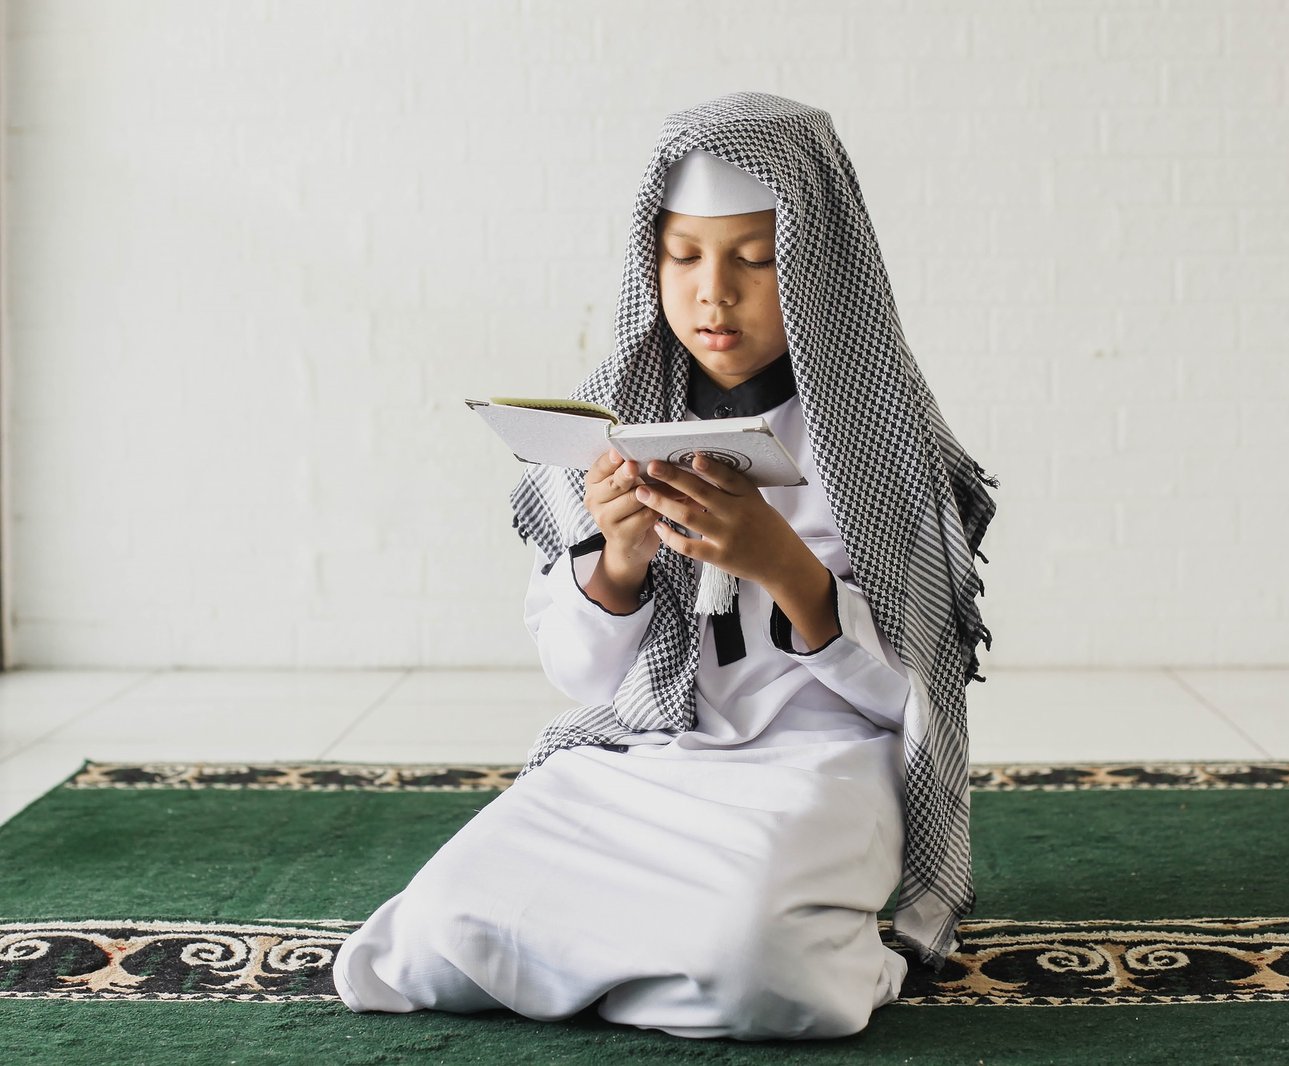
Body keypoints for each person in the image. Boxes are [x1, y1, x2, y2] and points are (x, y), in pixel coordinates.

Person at [333, 91, 997, 1041]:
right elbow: (582, 678)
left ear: (815, 269)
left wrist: (783, 568)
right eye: (684, 257)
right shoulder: (612, 418)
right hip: (641, 762)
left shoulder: (882, 441)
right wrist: (616, 564)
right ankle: (647, 968)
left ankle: (625, 963)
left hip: (818, 769)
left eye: (754, 261)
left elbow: (915, 706)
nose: (712, 294)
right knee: (424, 941)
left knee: (758, 970)